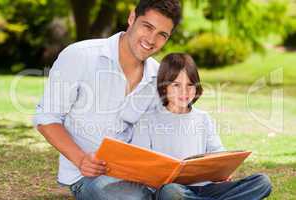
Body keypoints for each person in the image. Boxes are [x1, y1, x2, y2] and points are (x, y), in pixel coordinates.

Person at [33, 0, 181, 199]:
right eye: (147, 27)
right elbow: (46, 118)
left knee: (178, 191)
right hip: (89, 177)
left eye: (162, 35)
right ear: (131, 18)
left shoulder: (158, 75)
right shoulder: (80, 56)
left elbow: (160, 132)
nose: (151, 40)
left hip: (139, 174)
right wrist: (81, 159)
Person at [131, 53, 272, 200]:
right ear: (164, 87)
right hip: (172, 191)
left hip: (206, 188)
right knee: (171, 192)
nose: (184, 92)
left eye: (190, 85)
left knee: (262, 182)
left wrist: (224, 171)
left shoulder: (203, 118)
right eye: (176, 85)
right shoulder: (147, 121)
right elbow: (139, 166)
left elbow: (218, 154)